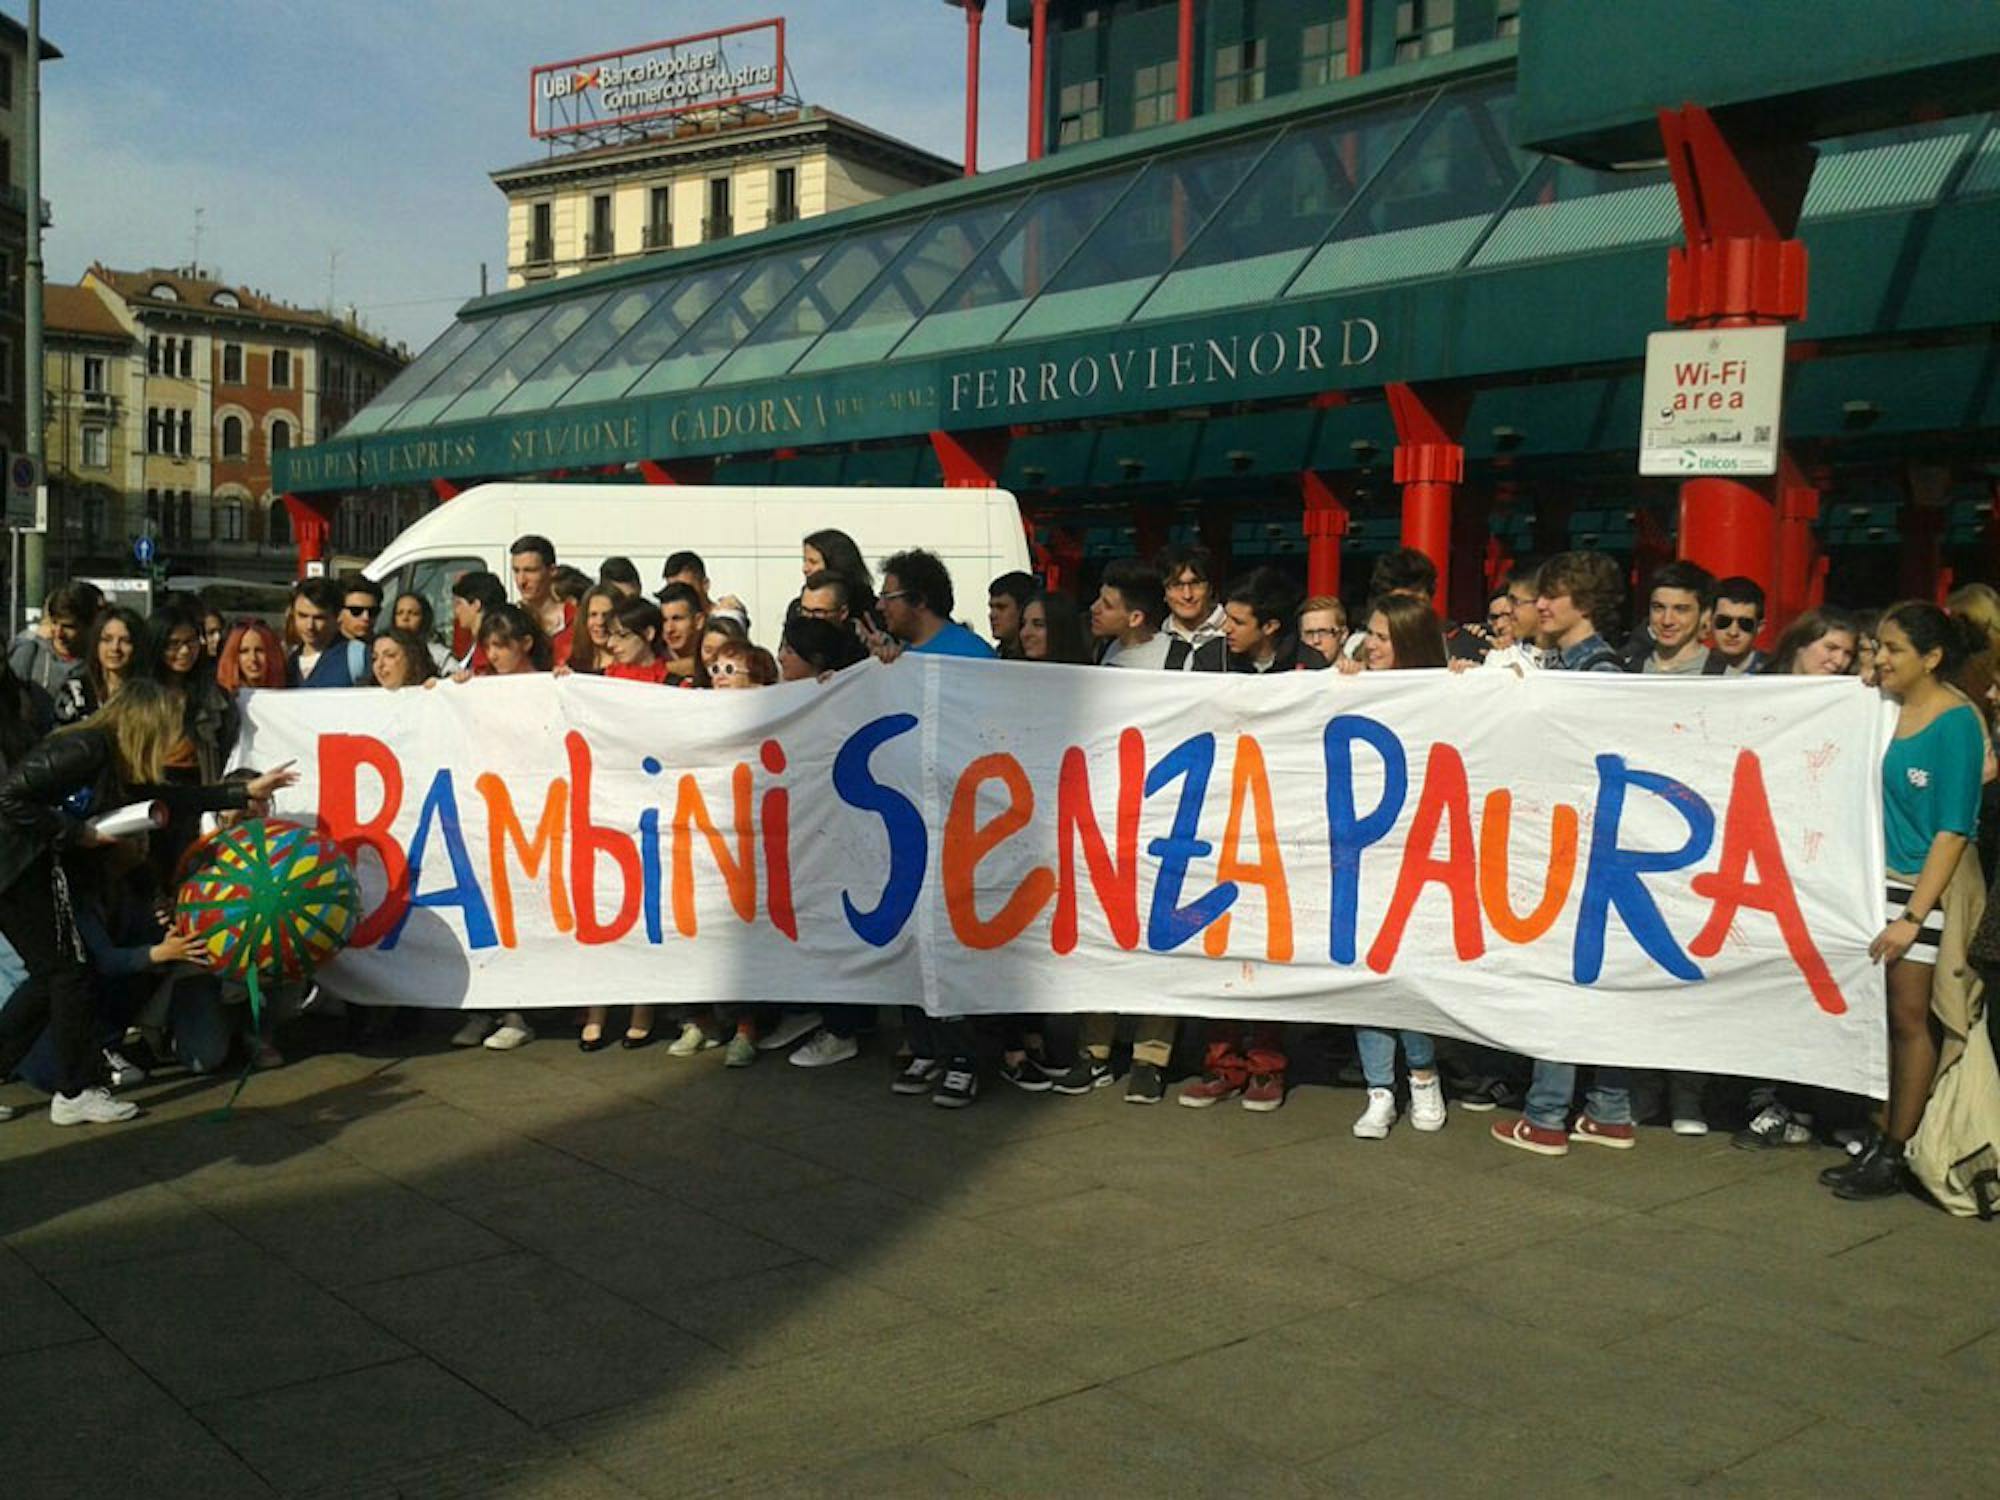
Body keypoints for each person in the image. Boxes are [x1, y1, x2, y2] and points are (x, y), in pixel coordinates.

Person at [0, 680, 295, 1125]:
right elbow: (8, 797)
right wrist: (76, 833)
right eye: (168, 726)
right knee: (69, 975)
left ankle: (67, 1085)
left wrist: (239, 793)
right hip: (19, 870)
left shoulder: (110, 761)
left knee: (52, 977)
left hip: (28, 869)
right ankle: (75, 1091)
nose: (173, 737)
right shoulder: (85, 748)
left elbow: (170, 797)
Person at [1823, 604, 1989, 1200]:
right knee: (1880, 1014)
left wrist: (1912, 917)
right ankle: (1883, 1131)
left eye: (1893, 648)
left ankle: (1895, 1150)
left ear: (1933, 657)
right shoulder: (1882, 708)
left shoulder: (1957, 723)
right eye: (1878, 646)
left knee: (1909, 1018)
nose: (1881, 658)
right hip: (1869, 878)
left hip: (1921, 885)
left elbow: (1953, 830)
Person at [1491, 552, 1636, 1156]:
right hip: (1588, 845)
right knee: (1594, 979)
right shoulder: (1573, 665)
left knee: (1561, 978)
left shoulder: (1593, 671)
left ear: (1587, 604)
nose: (1541, 605)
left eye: (1555, 596)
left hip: (1573, 846)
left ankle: (1547, 1115)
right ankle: (1609, 1109)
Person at [1347, 594, 1451, 1138]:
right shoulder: (1355, 682)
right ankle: (1379, 1090)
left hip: (1421, 854)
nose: (1369, 644)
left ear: (1408, 642)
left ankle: (1424, 1076)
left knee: (1410, 976)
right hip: (1363, 854)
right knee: (1368, 973)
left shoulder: (1443, 691)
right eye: (1369, 632)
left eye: (1382, 637)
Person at [874, 549, 993, 661]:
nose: (879, 606)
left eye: (888, 597)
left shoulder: (973, 654)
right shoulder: (896, 656)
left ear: (920, 600)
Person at [1220, 567, 1326, 674]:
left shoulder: (1309, 662)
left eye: (1238, 622)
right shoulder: (1213, 658)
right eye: (1226, 617)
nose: (1226, 628)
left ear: (1269, 626)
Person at [55, 606, 149, 724]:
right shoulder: (76, 690)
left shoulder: (151, 696)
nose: (115, 648)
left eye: (125, 641)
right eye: (107, 639)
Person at [1088, 559, 1173, 670]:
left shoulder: (1176, 657)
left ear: (1136, 618)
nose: (1094, 608)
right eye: (1099, 598)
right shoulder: (1106, 648)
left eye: (1107, 606)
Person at [11, 585, 94, 698]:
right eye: (54, 623)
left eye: (68, 627)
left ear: (88, 625)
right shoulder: (29, 652)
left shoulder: (99, 661)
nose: (59, 633)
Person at [286, 578, 368, 687]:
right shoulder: (289, 663)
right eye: (302, 616)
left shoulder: (357, 655)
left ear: (337, 616)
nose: (310, 626)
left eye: (319, 618)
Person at [1636, 560, 1713, 675]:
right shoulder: (1627, 669)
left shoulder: (1726, 679)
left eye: (1680, 609)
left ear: (1705, 615)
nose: (1667, 621)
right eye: (1659, 608)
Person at [1158, 543, 1228, 667]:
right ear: (1164, 592)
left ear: (1210, 588)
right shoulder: (1155, 637)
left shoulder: (1235, 632)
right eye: (1176, 585)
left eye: (1195, 583)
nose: (1187, 595)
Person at [511, 534, 574, 660]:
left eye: (530, 570)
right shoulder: (507, 621)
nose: (521, 581)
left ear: (552, 571)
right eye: (516, 571)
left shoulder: (576, 619)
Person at [1481, 572, 1556, 674]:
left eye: (1516, 602)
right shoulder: (1502, 657)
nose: (1511, 610)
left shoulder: (1577, 657)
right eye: (1493, 618)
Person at [1763, 606, 1860, 679]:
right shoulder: (1759, 684)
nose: (1839, 661)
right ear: (1801, 644)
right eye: (1831, 648)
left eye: (1848, 654)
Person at [776, 612, 869, 684]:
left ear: (817, 658)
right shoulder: (775, 691)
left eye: (789, 652)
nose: (780, 657)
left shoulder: (840, 690)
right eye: (781, 649)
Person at [448, 570, 507, 676]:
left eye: (459, 603)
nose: (456, 611)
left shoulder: (489, 647)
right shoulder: (475, 643)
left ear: (476, 604)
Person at [602, 596, 673, 685]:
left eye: (622, 635)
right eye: (610, 635)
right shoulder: (602, 679)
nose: (610, 644)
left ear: (648, 633)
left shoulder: (674, 685)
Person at [1705, 577, 1767, 676]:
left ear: (1759, 627)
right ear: (1709, 620)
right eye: (1723, 621)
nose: (1733, 632)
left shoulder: (1776, 670)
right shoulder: (1694, 668)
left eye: (1745, 624)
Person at [1018, 590, 1091, 665]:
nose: (1025, 633)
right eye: (1023, 624)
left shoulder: (1091, 674)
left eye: (1038, 624)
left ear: (1062, 629)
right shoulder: (1012, 673)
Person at [656, 582, 708, 685]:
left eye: (677, 619)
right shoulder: (649, 655)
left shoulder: (717, 657)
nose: (669, 629)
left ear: (699, 621)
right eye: (664, 620)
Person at [565, 585, 622, 675]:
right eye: (593, 614)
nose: (600, 622)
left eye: (607, 615)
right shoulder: (575, 662)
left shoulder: (629, 665)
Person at [217, 621, 288, 693]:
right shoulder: (218, 699)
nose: (253, 658)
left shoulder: (289, 693)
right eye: (244, 651)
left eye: (259, 650)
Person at [391, 591, 452, 672]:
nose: (405, 618)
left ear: (424, 619)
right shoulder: (382, 651)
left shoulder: (437, 654)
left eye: (413, 613)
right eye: (400, 613)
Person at [988, 570, 1037, 660]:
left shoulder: (1040, 658)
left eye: (1001, 607)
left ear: (1023, 610)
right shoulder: (992, 655)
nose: (992, 615)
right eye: (991, 607)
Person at [371, 630, 438, 690]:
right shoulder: (365, 697)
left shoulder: (434, 690)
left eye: (390, 655)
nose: (379, 664)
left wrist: (440, 687)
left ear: (411, 658)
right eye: (374, 658)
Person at [1297, 596, 1348, 665]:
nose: (1316, 640)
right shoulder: (1293, 674)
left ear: (1343, 635)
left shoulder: (1361, 674)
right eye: (1309, 633)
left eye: (1323, 632)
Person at [339, 576, 384, 645]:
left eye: (373, 611)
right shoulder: (324, 650)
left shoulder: (384, 648)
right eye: (356, 611)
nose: (366, 617)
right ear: (339, 612)